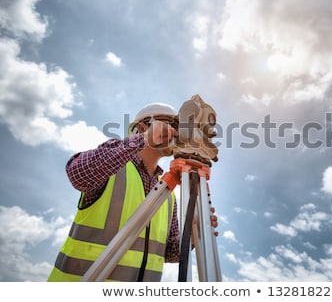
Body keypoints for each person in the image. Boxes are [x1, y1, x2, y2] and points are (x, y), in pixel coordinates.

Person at [48, 102, 218, 281]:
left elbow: (170, 254)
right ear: (143, 127)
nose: (175, 132)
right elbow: (78, 174)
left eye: (177, 127)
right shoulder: (114, 167)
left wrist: (193, 235)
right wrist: (144, 139)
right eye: (168, 124)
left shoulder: (167, 193)